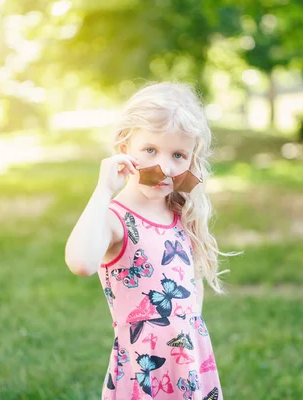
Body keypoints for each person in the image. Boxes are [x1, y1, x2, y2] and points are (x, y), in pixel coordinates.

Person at [65, 82, 234, 399]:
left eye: (178, 155)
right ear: (124, 146)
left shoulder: (179, 213)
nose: (164, 168)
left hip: (186, 365)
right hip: (142, 369)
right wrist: (103, 189)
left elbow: (191, 288)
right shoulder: (116, 219)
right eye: (150, 150)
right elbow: (81, 263)